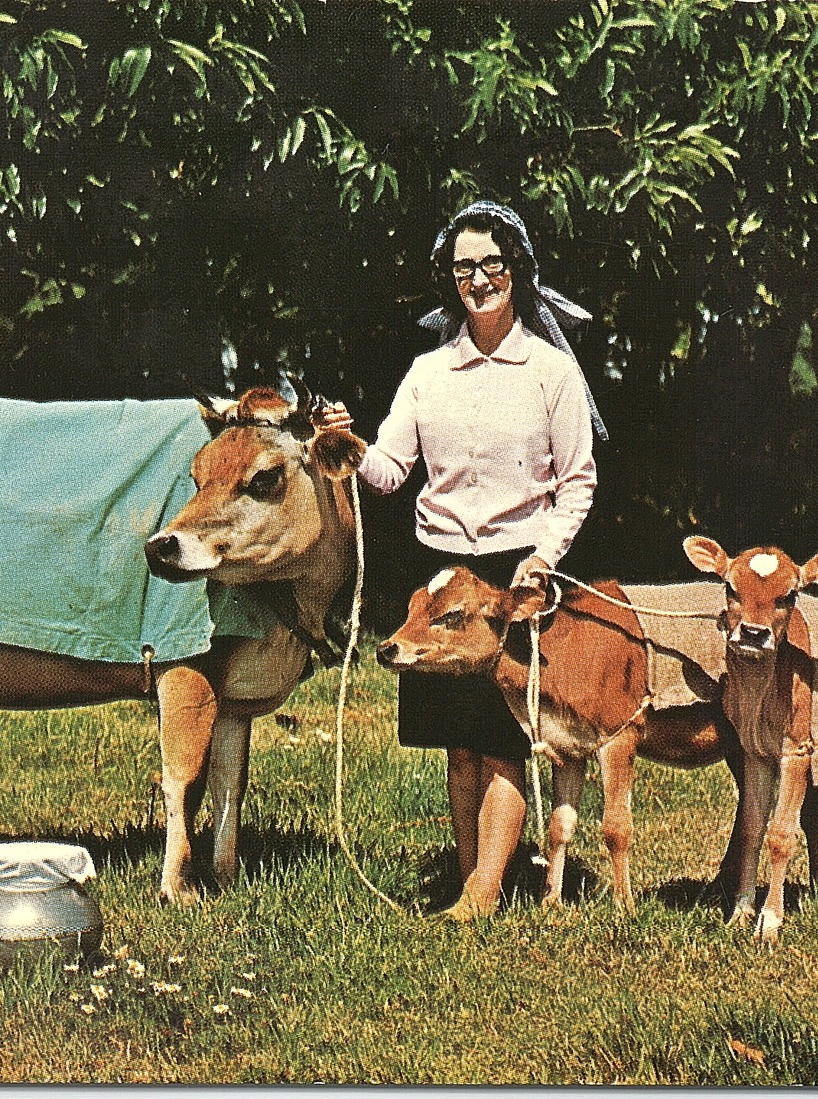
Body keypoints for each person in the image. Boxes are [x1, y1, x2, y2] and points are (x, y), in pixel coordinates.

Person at [324, 200, 601, 920]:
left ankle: (483, 892)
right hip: (440, 570)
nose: (478, 280)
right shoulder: (427, 373)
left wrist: (542, 560)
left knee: (503, 735)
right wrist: (349, 445)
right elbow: (390, 469)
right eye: (463, 268)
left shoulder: (549, 372)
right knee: (457, 740)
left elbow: (577, 481)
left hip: (514, 573)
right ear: (448, 280)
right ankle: (472, 876)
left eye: (491, 264)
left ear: (517, 269)